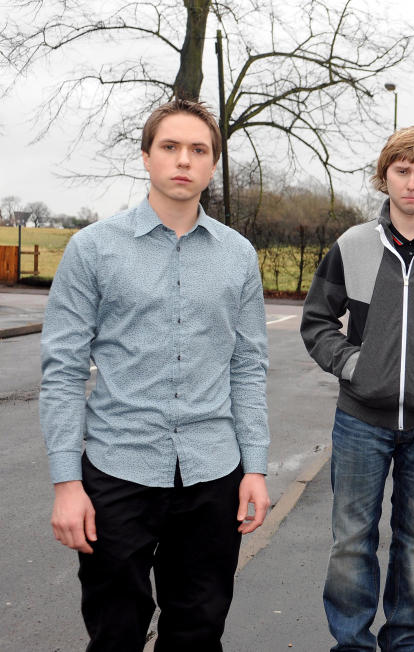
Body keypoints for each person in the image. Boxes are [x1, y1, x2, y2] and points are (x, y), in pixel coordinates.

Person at [39, 98, 271, 651]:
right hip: (118, 469)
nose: (183, 160)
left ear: (213, 165)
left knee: (198, 630)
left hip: (213, 473)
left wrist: (255, 468)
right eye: (170, 147)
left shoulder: (239, 256)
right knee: (115, 630)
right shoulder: (92, 249)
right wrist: (66, 482)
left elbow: (249, 366)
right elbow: (64, 371)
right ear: (146, 157)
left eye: (198, 150)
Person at [300, 126, 414, 651]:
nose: (411, 182)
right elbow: (316, 322)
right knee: (352, 541)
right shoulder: (352, 246)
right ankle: (352, 643)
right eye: (402, 171)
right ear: (385, 176)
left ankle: (404, 640)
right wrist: (355, 366)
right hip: (361, 420)